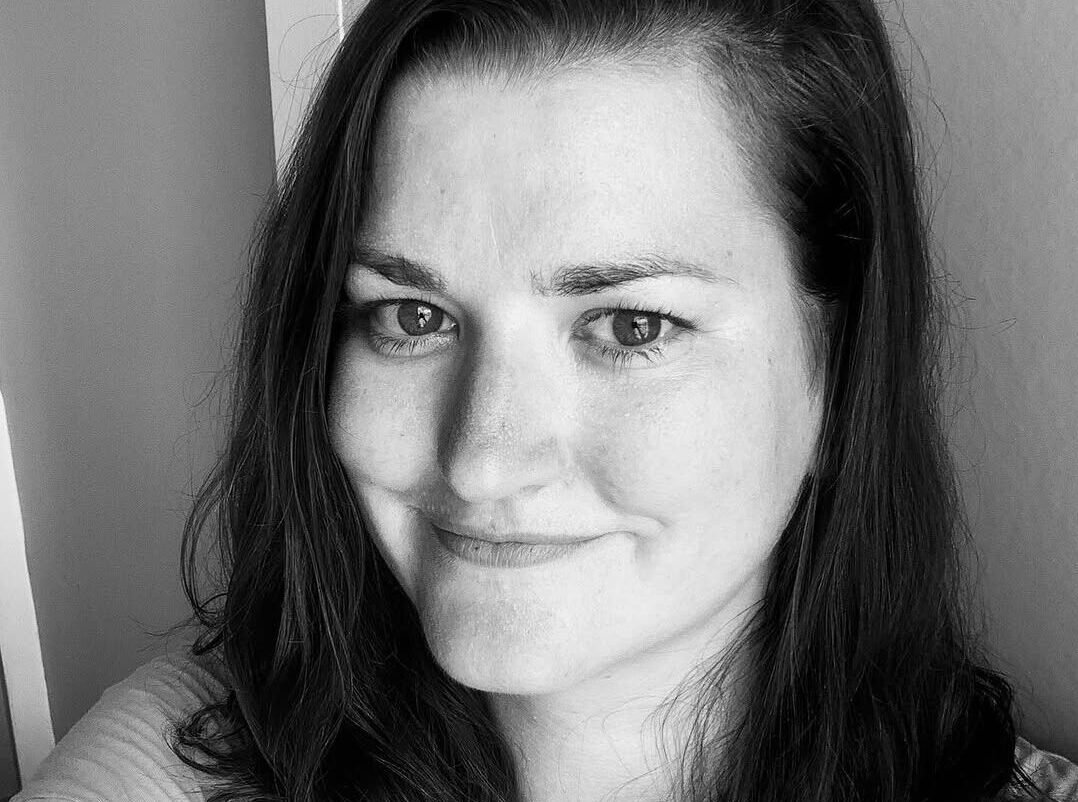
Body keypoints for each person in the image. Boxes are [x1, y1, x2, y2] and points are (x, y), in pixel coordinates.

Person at [13, 0, 1078, 800]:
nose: (481, 459)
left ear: (837, 373)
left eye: (630, 326)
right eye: (412, 316)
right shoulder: (179, 757)